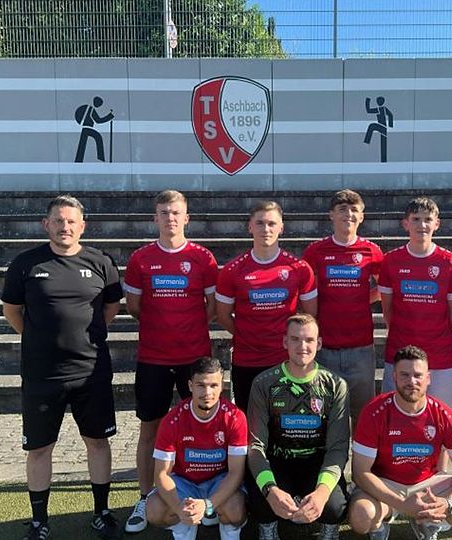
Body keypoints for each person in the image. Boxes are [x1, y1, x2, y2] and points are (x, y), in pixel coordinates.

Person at [1, 195, 123, 540]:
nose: (65, 227)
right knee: (39, 448)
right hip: (42, 375)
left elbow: (111, 307)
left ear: (82, 226)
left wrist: (88, 336)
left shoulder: (101, 262)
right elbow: (13, 311)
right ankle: (40, 521)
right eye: (58, 221)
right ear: (46, 225)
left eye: (71, 221)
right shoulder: (26, 264)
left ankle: (101, 513)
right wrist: (39, 339)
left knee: (98, 442)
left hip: (91, 372)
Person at [121, 189, 220, 532]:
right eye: (164, 212)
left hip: (194, 358)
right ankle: (145, 497)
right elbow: (134, 307)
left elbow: (211, 308)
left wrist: (187, 329)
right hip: (153, 358)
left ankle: (205, 499)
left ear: (186, 217)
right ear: (155, 218)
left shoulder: (203, 258)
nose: (170, 218)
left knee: (204, 428)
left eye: (176, 212)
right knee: (151, 428)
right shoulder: (141, 259)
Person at [348, 346, 452, 540]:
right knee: (361, 517)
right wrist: (402, 503)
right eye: (404, 375)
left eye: (418, 375)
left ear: (428, 378)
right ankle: (383, 521)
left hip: (428, 486)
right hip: (386, 484)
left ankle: (427, 519)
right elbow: (361, 472)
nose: (411, 381)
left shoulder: (444, 414)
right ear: (394, 377)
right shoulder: (374, 412)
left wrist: (448, 503)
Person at [246, 314, 350, 540]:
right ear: (285, 342)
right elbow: (255, 446)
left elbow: (338, 446)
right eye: (295, 339)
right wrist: (271, 490)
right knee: (259, 500)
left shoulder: (335, 385)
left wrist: (322, 494)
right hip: (278, 460)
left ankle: (328, 527)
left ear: (319, 344)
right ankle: (268, 527)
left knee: (334, 506)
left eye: (309, 340)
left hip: (316, 461)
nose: (302, 346)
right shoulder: (264, 383)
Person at [377, 196, 452, 431]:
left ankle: (446, 467)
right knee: (394, 421)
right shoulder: (391, 261)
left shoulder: (450, 262)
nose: (422, 225)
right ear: (405, 223)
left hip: (439, 356)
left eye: (428, 219)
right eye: (416, 219)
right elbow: (388, 310)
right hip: (398, 354)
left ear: (437, 224)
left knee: (449, 421)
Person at [216, 201, 317, 408]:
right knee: (249, 424)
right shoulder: (232, 270)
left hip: (286, 360)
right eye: (260, 223)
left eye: (272, 223)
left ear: (281, 227)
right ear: (250, 227)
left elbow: (310, 316)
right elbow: (223, 315)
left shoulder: (299, 268)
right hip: (247, 360)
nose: (266, 229)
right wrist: (246, 334)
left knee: (285, 424)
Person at [145, 357, 248, 540]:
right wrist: (179, 508)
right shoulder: (172, 419)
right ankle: (183, 527)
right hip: (185, 482)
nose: (207, 392)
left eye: (213, 386)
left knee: (235, 509)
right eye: (200, 385)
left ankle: (226, 527)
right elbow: (161, 474)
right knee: (153, 510)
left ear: (221, 386)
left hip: (219, 481)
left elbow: (236, 473)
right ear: (190, 385)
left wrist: (208, 504)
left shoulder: (235, 417)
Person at [302, 189, 383, 421]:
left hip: (361, 349)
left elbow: (386, 288)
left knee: (363, 417)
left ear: (362, 217)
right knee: (324, 417)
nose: (348, 214)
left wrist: (361, 298)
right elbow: (306, 290)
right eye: (342, 209)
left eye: (354, 210)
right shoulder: (316, 251)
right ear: (331, 215)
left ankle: (360, 459)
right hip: (325, 348)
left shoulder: (371, 251)